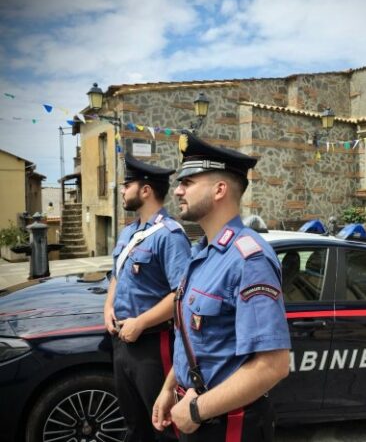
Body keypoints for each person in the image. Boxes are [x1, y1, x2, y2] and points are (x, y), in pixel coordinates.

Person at [152, 133, 291, 441]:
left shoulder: (248, 260)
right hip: (195, 410)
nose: (177, 191)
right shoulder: (202, 252)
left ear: (219, 190)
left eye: (188, 182)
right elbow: (194, 339)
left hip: (228, 424)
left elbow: (273, 365)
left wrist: (196, 410)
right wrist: (168, 389)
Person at [104, 153, 191, 442]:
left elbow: (180, 293)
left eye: (127, 185)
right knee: (134, 423)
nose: (122, 190)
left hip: (153, 345)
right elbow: (117, 274)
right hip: (122, 343)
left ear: (145, 190)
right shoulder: (128, 232)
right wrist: (108, 306)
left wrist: (140, 322)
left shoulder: (170, 235)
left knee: (162, 426)